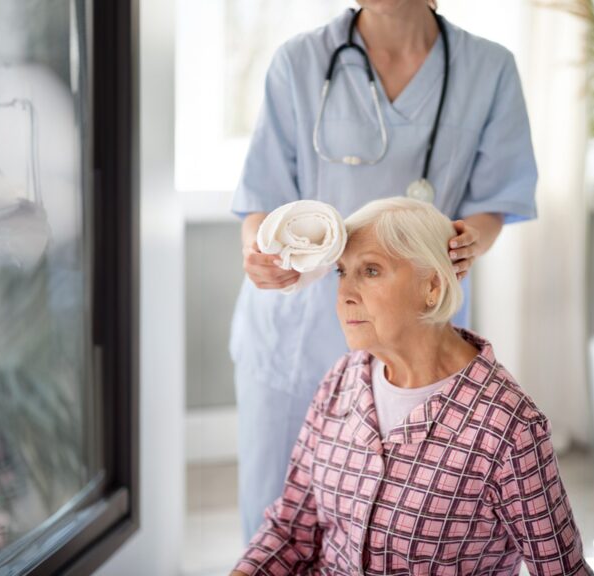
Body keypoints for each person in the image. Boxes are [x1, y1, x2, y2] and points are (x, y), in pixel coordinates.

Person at [231, 0, 538, 541]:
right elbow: (263, 198)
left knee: (406, 528)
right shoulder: (299, 61)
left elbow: (494, 203)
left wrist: (470, 241)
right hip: (299, 326)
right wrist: (258, 251)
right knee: (279, 525)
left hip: (412, 331)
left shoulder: (488, 68)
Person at [232, 198, 588, 575]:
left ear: (432, 286)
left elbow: (562, 571)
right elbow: (291, 531)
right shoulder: (342, 380)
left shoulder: (508, 427)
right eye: (341, 272)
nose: (345, 293)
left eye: (370, 270)